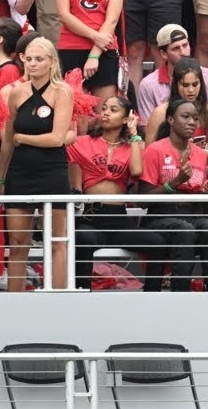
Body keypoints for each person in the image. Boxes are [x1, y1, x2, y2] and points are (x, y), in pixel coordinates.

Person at [68, 97, 170, 291]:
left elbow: (138, 171)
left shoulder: (132, 146)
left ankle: (151, 295)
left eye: (113, 110)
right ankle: (81, 294)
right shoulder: (83, 142)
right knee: (82, 237)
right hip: (92, 217)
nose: (105, 113)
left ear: (126, 118)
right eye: (104, 109)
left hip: (118, 219)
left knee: (157, 242)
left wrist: (133, 134)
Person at [0, 34, 74, 291]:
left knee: (55, 241)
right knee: (18, 242)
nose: (32, 64)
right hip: (19, 172)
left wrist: (24, 137)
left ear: (51, 62)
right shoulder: (16, 92)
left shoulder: (63, 91)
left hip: (52, 171)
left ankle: (57, 298)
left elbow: (56, 139)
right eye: (28, 59)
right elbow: (8, 141)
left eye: (39, 59)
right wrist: (0, 179)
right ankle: (15, 299)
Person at [138, 99, 208, 292]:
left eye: (195, 118)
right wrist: (174, 182)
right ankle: (180, 293)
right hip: (160, 216)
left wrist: (204, 191)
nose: (192, 122)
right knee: (184, 229)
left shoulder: (200, 154)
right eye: (185, 117)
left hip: (190, 215)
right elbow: (142, 199)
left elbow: (196, 203)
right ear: (170, 119)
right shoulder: (155, 150)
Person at [137, 24, 208, 120]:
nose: (183, 52)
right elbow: (148, 129)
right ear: (164, 54)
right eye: (176, 48)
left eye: (185, 45)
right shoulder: (149, 85)